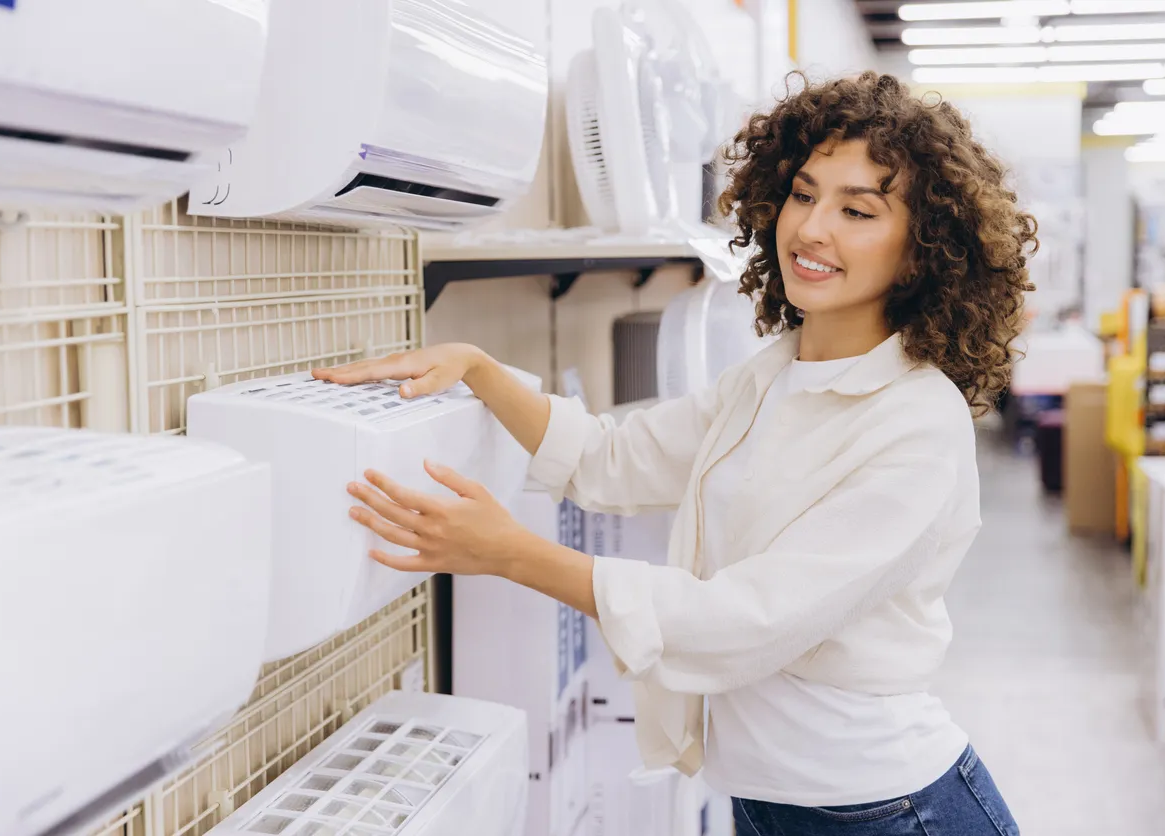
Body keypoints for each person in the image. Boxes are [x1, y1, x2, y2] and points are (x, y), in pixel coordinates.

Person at [313, 71, 1032, 836]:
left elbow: (747, 621)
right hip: (766, 801)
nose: (811, 228)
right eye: (802, 193)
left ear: (924, 251)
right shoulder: (768, 378)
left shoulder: (918, 424)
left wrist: (511, 554)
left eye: (856, 210)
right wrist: (480, 371)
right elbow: (610, 459)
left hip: (890, 811)